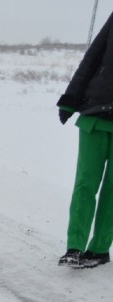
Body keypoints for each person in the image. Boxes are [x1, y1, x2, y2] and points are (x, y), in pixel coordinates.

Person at [57, 10, 113, 269]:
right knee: (85, 183)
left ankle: (99, 250)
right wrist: (71, 98)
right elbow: (92, 58)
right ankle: (74, 247)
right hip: (97, 113)